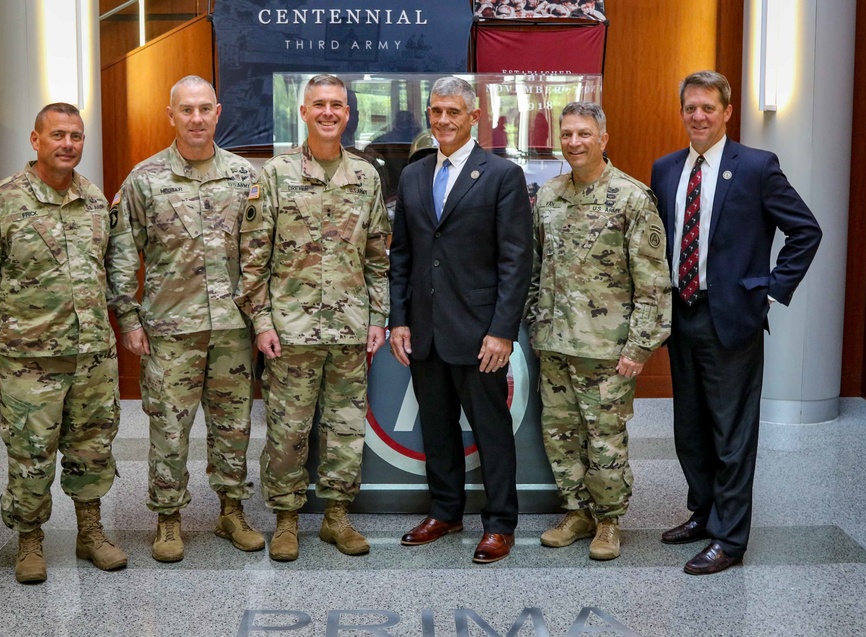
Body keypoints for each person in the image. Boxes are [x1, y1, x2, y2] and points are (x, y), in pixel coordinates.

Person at [651, 71, 821, 574]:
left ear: (727, 112)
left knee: (732, 433)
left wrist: (768, 291)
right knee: (691, 429)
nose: (698, 116)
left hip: (732, 319)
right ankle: (704, 514)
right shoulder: (665, 170)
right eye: (690, 108)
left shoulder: (757, 167)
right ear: (681, 112)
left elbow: (805, 231)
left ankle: (730, 538)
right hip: (680, 316)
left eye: (708, 107)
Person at [0, 103, 128, 584]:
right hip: (29, 358)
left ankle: (90, 533)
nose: (67, 144)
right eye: (57, 135)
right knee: (31, 451)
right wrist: (11, 317)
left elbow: (110, 265)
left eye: (75, 136)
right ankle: (29, 541)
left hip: (92, 352)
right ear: (36, 140)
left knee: (92, 446)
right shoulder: (1, 201)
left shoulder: (94, 200)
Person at [107, 75, 263, 563]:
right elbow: (120, 252)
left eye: (204, 109)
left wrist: (261, 318)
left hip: (233, 330)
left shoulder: (244, 177)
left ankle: (231, 511)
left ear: (218, 112)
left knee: (234, 426)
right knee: (170, 429)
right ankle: (168, 518)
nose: (196, 118)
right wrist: (129, 319)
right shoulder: (145, 179)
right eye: (186, 110)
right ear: (170, 115)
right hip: (169, 330)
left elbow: (260, 253)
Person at [236, 74, 390, 562]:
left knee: (345, 428)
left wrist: (377, 317)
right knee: (288, 430)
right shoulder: (276, 175)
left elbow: (378, 257)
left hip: (349, 327)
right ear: (303, 112)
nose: (328, 112)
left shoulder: (366, 177)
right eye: (319, 104)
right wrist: (261, 322)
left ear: (348, 114)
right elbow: (253, 259)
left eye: (337, 105)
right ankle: (285, 520)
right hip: (291, 330)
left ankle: (336, 518)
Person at [390, 76, 533, 564]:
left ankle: (499, 523)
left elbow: (517, 260)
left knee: (491, 431)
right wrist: (399, 319)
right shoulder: (413, 175)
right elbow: (403, 255)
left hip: (479, 333)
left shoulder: (501, 174)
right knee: (437, 428)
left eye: (454, 112)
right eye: (436, 111)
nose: (444, 120)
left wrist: (502, 331)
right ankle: (446, 510)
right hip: (425, 329)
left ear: (474, 117)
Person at [526, 101, 671, 561]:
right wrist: (535, 319)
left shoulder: (631, 198)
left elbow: (653, 283)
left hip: (607, 349)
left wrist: (639, 347)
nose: (574, 142)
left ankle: (609, 520)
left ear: (603, 139)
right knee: (561, 432)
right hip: (554, 342)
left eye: (583, 134)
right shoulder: (548, 196)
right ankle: (577, 511)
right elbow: (536, 268)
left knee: (605, 437)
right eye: (567, 134)